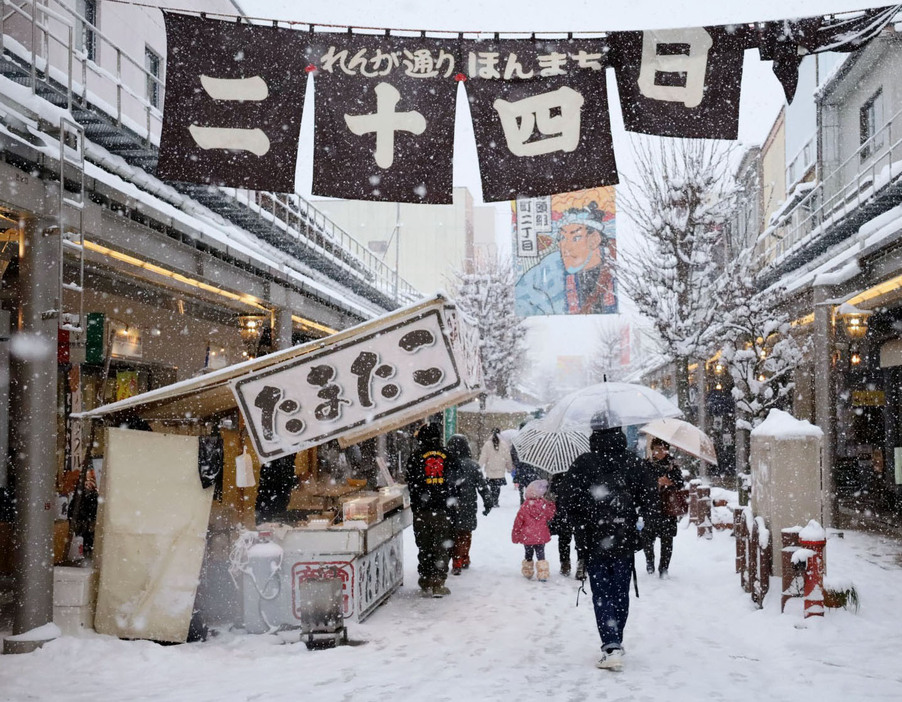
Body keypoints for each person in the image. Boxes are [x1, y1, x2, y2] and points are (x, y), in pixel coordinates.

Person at [560, 418, 659, 671]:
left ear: (593, 433)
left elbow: (567, 501)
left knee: (602, 594)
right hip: (625, 538)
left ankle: (610, 643)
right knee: (619, 592)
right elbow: (650, 499)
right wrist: (644, 532)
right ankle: (615, 641)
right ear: (620, 431)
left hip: (593, 540)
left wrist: (582, 522)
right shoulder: (634, 463)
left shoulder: (584, 464)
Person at [514, 203, 617, 316]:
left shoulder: (617, 266)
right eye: (562, 237)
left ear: (594, 239)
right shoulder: (549, 267)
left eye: (576, 238)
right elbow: (521, 297)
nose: (565, 247)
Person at [404, 422, 459, 597]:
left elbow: (411, 482)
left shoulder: (415, 456)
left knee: (424, 546)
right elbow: (457, 483)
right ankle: (438, 582)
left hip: (422, 510)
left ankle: (426, 579)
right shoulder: (449, 456)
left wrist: (418, 500)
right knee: (441, 546)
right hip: (443, 510)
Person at [446, 434, 494, 576]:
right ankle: (463, 558)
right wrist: (488, 502)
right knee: (465, 533)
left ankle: (456, 560)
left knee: (453, 533)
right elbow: (482, 487)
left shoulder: (447, 464)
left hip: (451, 504)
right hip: (468, 503)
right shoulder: (473, 466)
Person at [642, 438, 686, 579]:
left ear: (667, 450)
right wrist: (655, 483)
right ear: (652, 450)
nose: (660, 452)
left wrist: (670, 482)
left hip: (668, 508)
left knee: (667, 540)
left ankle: (664, 568)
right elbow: (640, 485)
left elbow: (680, 484)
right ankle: (650, 562)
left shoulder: (673, 465)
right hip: (650, 507)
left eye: (662, 449)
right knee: (648, 539)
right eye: (656, 449)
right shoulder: (646, 465)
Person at [511, 479, 556, 582]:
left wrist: (515, 534)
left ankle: (528, 571)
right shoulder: (544, 505)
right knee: (541, 554)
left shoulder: (524, 506)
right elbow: (550, 516)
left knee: (528, 554)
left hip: (528, 536)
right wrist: (552, 505)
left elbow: (518, 521)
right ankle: (543, 574)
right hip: (541, 535)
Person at [548, 472, 579, 576]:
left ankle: (565, 563)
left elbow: (553, 491)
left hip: (563, 510)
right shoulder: (580, 471)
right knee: (580, 539)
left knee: (564, 539)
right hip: (578, 510)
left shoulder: (558, 473)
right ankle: (581, 563)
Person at [479, 428, 512, 508]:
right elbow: (508, 457)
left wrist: (479, 466)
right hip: (500, 469)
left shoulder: (487, 444)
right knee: (497, 487)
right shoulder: (504, 444)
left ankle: (492, 499)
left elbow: (483, 456)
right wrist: (509, 467)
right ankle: (495, 500)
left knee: (492, 486)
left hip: (490, 468)